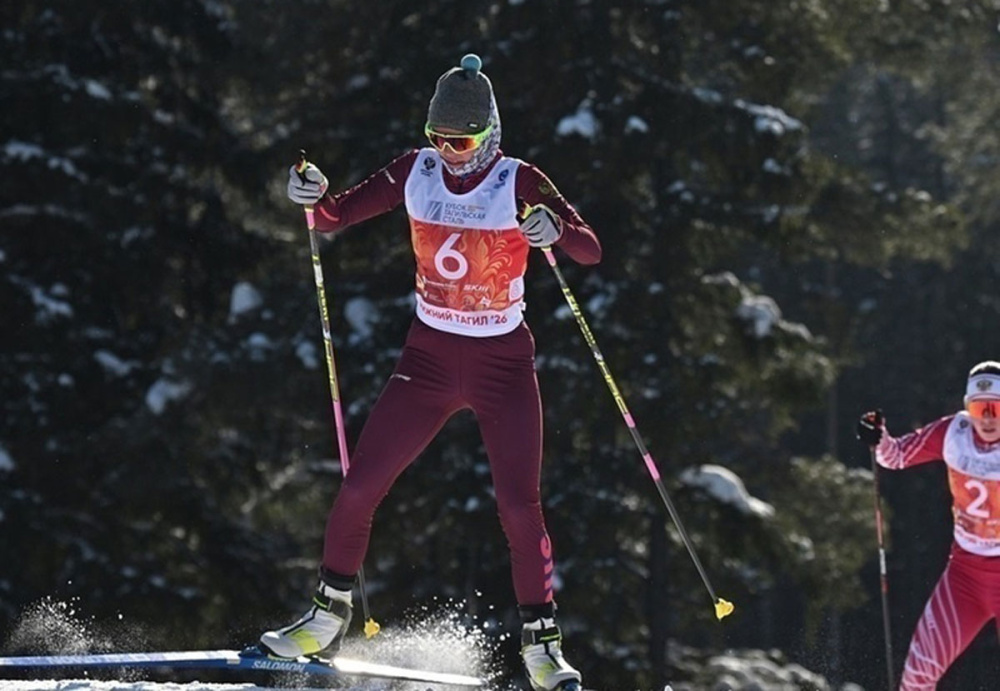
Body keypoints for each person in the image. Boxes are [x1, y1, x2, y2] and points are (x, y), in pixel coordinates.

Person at [260, 54, 601, 691]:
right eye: (437, 138)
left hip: (503, 365)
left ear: (491, 135)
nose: (449, 153)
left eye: (463, 140)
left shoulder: (519, 180)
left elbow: (589, 248)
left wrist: (553, 229)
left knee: (518, 506)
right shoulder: (415, 172)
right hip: (429, 360)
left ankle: (542, 647)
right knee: (361, 486)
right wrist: (310, 196)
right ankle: (325, 617)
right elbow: (335, 214)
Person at [857, 360, 1000, 690]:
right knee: (917, 675)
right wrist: (877, 438)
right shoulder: (953, 433)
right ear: (968, 409)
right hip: (965, 577)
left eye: (996, 409)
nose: (989, 420)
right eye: (981, 410)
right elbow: (895, 457)